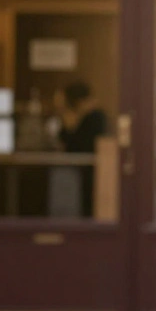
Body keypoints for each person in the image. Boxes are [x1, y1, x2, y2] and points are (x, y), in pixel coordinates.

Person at [56, 80, 107, 217]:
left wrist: (71, 125)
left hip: (91, 173)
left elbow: (78, 146)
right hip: (76, 173)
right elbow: (63, 140)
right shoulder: (76, 118)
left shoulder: (96, 117)